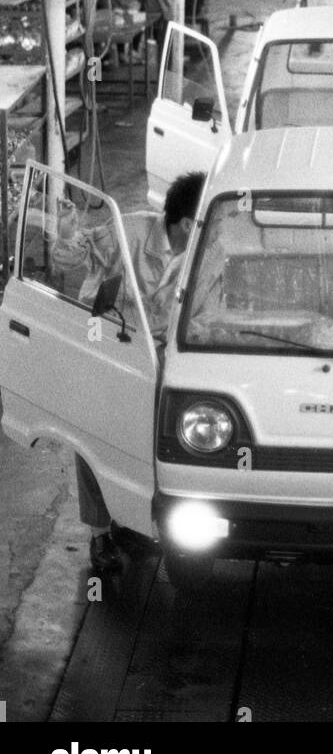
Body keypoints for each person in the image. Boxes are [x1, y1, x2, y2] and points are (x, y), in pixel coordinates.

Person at [54, 172, 206, 575]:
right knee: (96, 436)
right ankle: (100, 533)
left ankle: (131, 521)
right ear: (187, 223)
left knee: (146, 440)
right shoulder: (130, 230)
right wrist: (66, 232)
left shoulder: (203, 251)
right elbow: (70, 258)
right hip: (104, 341)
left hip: (154, 356)